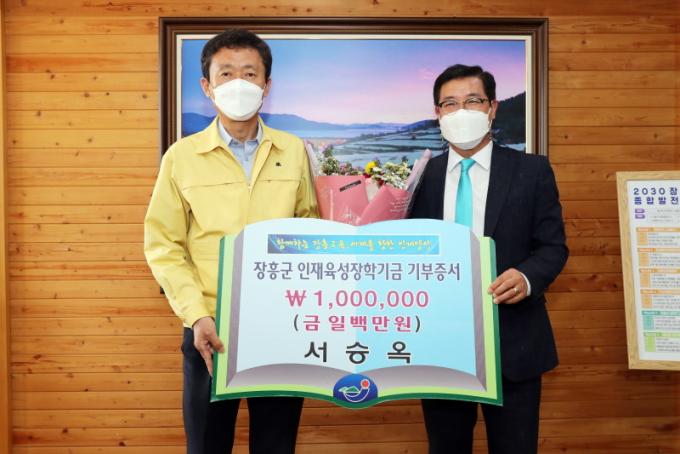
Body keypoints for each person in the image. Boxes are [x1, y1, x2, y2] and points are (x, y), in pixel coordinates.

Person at [144, 28, 317, 454]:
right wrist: (196, 315)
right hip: (209, 329)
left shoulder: (294, 150)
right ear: (207, 86)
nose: (238, 83)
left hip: (281, 326)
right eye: (226, 73)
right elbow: (164, 245)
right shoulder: (181, 157)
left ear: (267, 85)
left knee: (276, 444)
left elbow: (309, 227)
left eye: (249, 73)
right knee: (207, 445)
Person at [410, 64, 568, 454]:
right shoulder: (421, 177)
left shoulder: (531, 170)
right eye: (450, 104)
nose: (461, 111)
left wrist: (527, 278)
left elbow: (553, 247)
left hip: (514, 342)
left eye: (473, 101)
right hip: (441, 344)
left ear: (492, 108)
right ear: (437, 113)